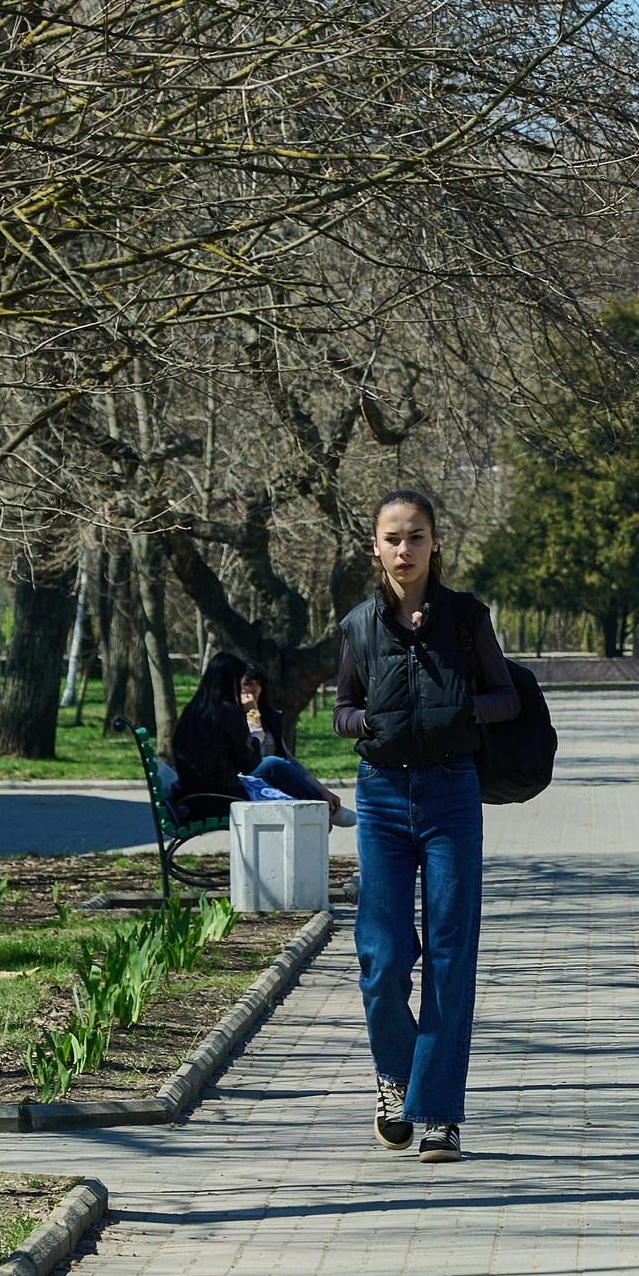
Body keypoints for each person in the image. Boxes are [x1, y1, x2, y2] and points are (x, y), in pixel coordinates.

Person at [334, 488, 519, 1164]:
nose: (404, 549)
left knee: (449, 953)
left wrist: (465, 710)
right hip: (381, 799)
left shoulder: (467, 619)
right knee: (380, 958)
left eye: (416, 536)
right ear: (375, 547)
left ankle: (438, 1113)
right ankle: (395, 1077)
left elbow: (508, 696)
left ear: (435, 542)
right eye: (392, 538)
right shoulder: (358, 625)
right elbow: (341, 709)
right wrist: (365, 723)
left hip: (450, 796)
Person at [173, 653, 348, 815]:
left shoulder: (191, 712)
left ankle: (321, 805)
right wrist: (256, 732)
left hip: (196, 796)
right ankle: (319, 808)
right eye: (244, 682)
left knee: (276, 763)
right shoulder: (229, 713)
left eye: (256, 683)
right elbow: (249, 764)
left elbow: (286, 759)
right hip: (221, 798)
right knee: (272, 763)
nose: (249, 688)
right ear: (233, 682)